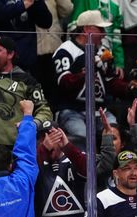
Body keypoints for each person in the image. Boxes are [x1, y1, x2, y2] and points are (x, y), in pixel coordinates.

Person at [53, 10, 130, 140]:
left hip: (100, 111)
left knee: (114, 136)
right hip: (72, 110)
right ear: (86, 29)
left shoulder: (103, 52)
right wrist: (86, 72)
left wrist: (130, 87)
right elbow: (65, 83)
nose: (104, 34)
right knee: (83, 138)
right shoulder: (66, 50)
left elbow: (111, 82)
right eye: (100, 29)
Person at [0, 36, 52, 152]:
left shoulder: (27, 81)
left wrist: (30, 125)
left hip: (10, 150)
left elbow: (45, 111)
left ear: (10, 54)